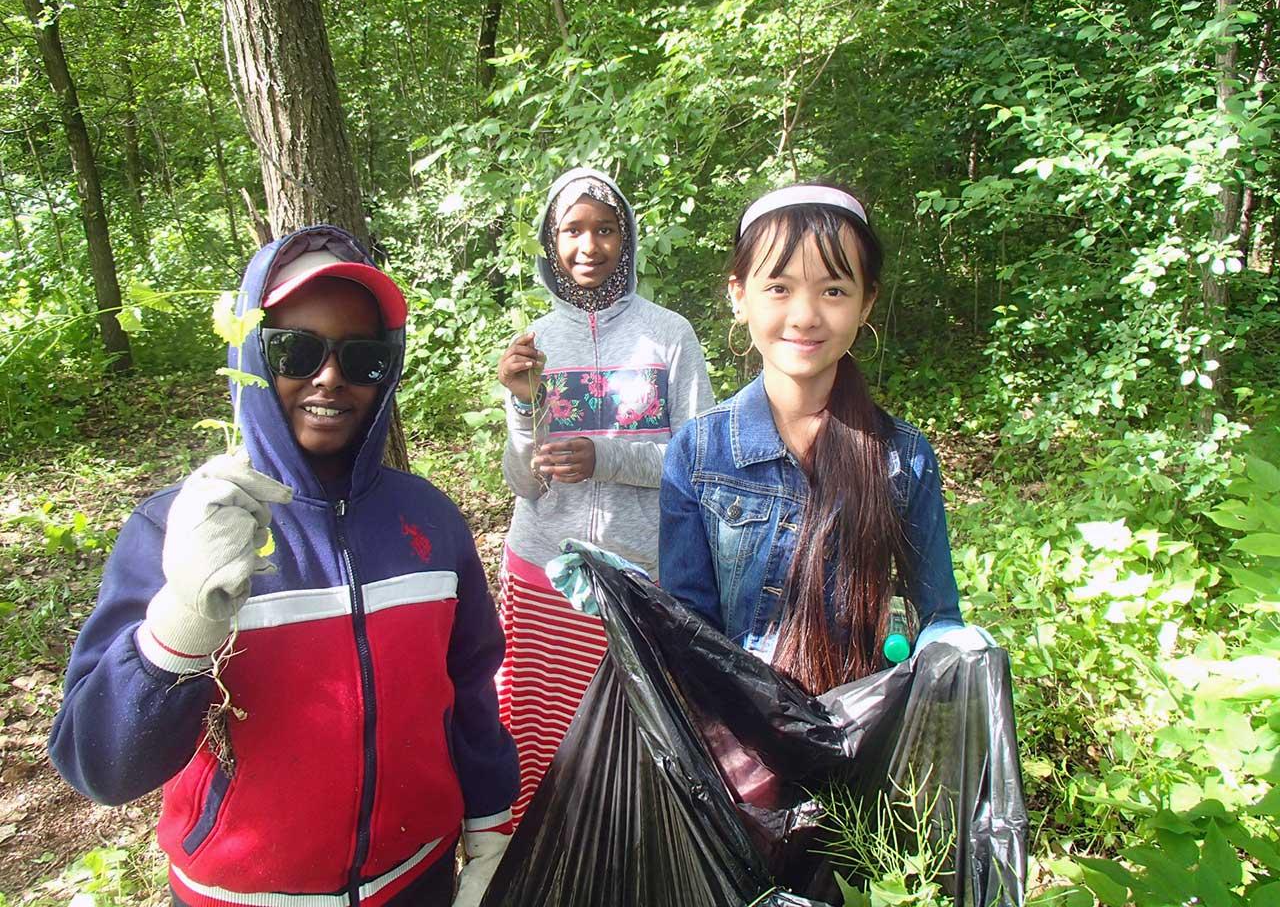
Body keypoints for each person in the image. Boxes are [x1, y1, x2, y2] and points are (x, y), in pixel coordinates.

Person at [47, 225, 517, 907]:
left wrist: (490, 827)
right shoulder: (180, 529)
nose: (330, 377)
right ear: (253, 356)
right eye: (297, 350)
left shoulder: (431, 523)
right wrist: (180, 619)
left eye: (362, 359)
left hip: (416, 879)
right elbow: (102, 767)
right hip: (237, 895)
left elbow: (470, 692)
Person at [658, 184, 966, 696]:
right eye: (779, 288)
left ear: (867, 302)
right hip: (740, 747)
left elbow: (937, 616)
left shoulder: (903, 459)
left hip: (864, 739)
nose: (804, 315)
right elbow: (689, 629)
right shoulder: (698, 453)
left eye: (834, 291)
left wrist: (957, 649)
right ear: (739, 297)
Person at [495, 167, 714, 822]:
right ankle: (541, 863)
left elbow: (697, 459)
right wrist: (518, 402)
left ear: (628, 240)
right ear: (550, 241)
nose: (588, 246)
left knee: (634, 742)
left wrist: (605, 457)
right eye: (572, 230)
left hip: (637, 573)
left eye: (605, 230)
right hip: (542, 573)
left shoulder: (668, 335)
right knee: (541, 740)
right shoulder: (538, 342)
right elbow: (523, 480)